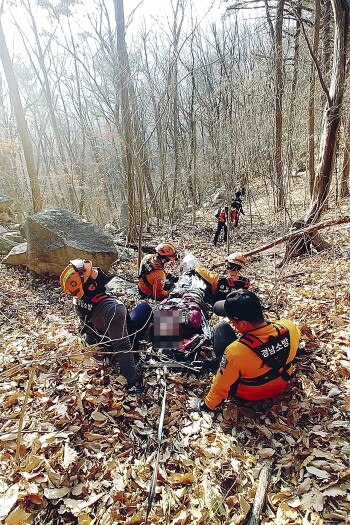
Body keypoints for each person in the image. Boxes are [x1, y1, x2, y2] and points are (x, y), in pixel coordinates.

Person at [190, 290, 300, 411]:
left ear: (243, 323)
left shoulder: (235, 352)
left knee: (222, 327)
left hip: (250, 394)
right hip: (282, 381)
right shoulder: (289, 327)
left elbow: (220, 388)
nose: (232, 324)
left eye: (232, 321)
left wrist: (206, 406)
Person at [59, 259, 152, 395]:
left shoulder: (77, 298)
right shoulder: (114, 308)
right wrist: (133, 381)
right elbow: (123, 347)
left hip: (99, 337)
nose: (97, 271)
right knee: (145, 307)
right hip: (120, 337)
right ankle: (165, 342)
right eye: (93, 272)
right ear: (91, 286)